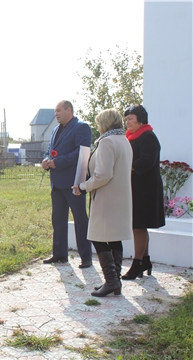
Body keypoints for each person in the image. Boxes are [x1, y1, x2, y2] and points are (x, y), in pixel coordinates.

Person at [73, 109, 133, 297]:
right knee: (114, 238)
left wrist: (83, 186)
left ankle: (112, 281)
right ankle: (115, 282)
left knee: (97, 237)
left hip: (106, 198)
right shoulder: (123, 140)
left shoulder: (107, 142)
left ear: (104, 124)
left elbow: (103, 175)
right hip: (120, 197)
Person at [41, 100, 92, 268]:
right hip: (56, 183)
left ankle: (86, 257)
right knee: (58, 219)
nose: (56, 114)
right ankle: (60, 254)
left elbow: (81, 152)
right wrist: (47, 160)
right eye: (55, 111)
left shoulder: (81, 127)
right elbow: (50, 149)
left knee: (80, 219)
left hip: (74, 182)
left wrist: (59, 162)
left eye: (58, 111)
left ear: (69, 110)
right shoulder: (56, 129)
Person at [121, 104, 165, 279]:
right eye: (126, 119)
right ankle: (145, 259)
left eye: (130, 119)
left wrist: (126, 165)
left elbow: (146, 161)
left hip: (145, 189)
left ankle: (137, 263)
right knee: (137, 225)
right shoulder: (132, 137)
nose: (127, 122)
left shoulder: (148, 137)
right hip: (135, 188)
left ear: (141, 120)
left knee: (139, 226)